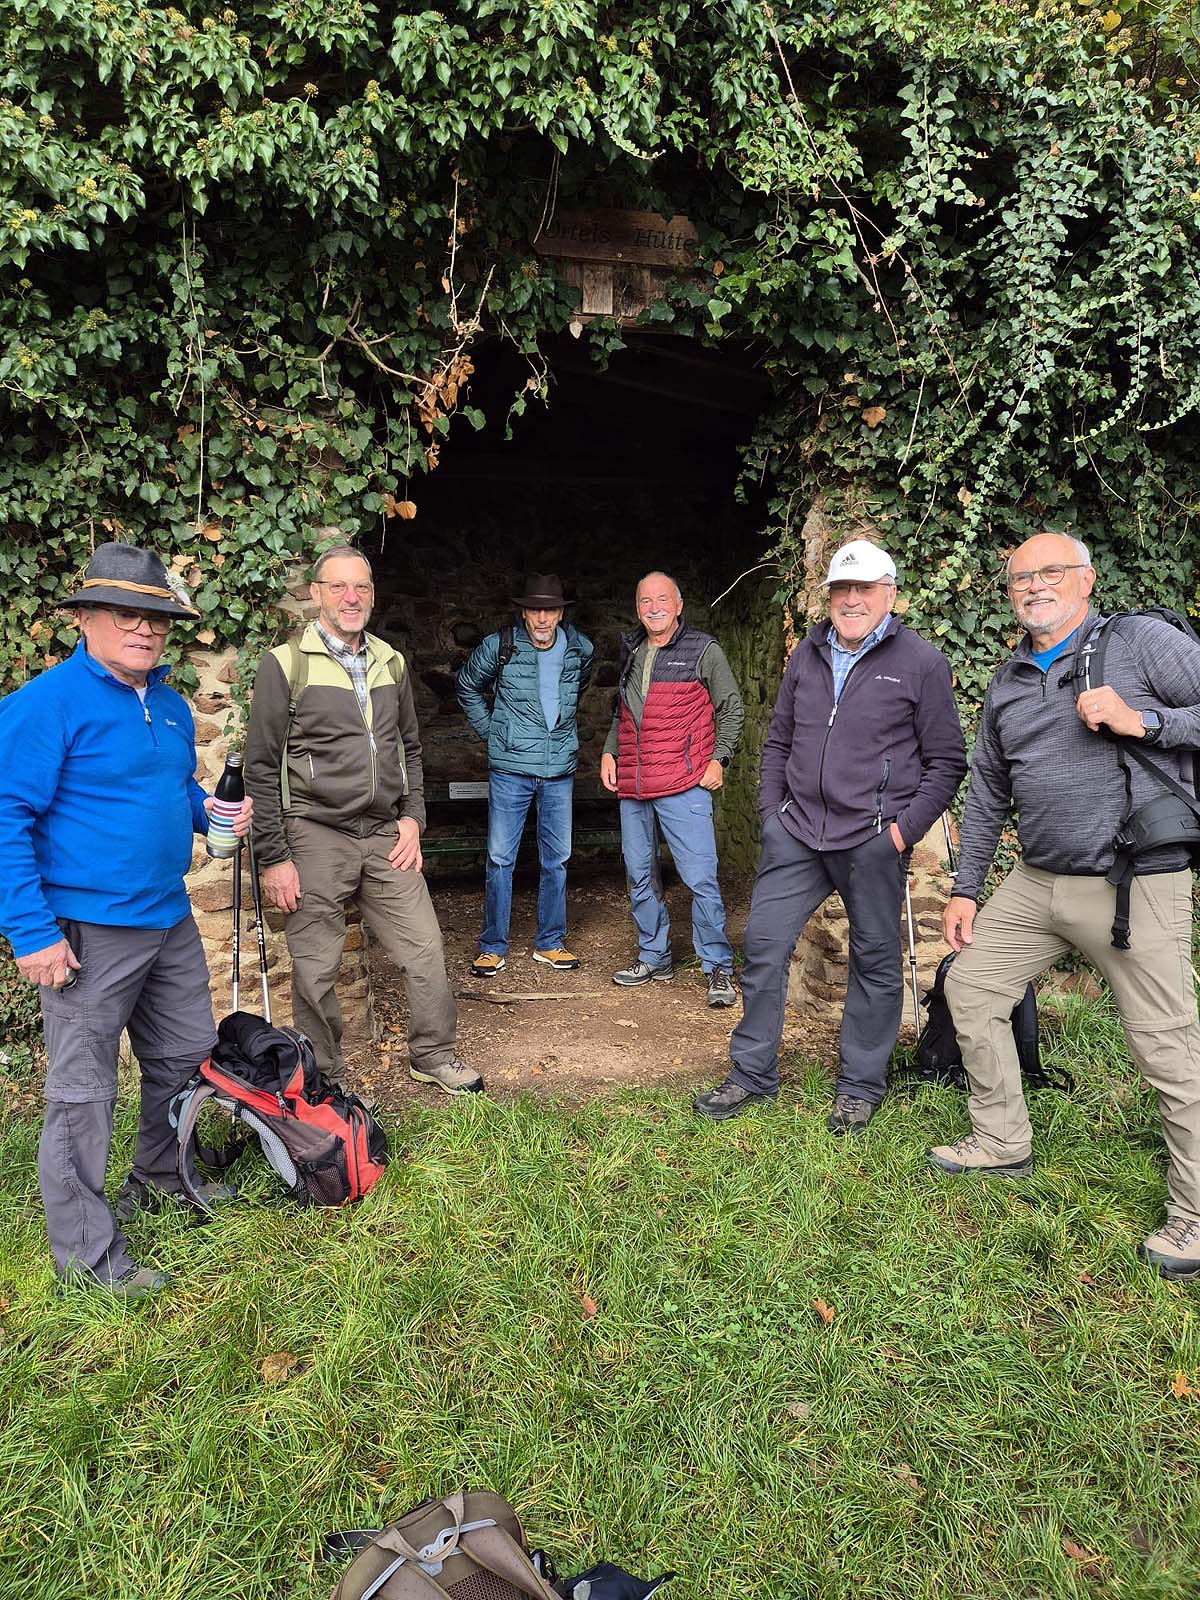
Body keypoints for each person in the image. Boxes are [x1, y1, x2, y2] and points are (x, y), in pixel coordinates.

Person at [933, 530, 1200, 1280]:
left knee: (1166, 1048)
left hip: (1134, 882)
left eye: (1051, 571)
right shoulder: (1010, 680)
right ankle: (1001, 1139)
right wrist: (966, 887)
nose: (1034, 586)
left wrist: (1145, 721)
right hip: (1037, 881)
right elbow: (988, 792)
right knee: (971, 986)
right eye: (1020, 577)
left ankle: (1196, 1214)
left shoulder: (1139, 643)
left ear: (1086, 580)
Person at [0, 542, 252, 1301]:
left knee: (184, 1058)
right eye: (124, 613)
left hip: (168, 917)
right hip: (87, 930)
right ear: (84, 618)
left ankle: (161, 1180)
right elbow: (6, 818)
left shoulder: (169, 705)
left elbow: (175, 791)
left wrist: (211, 814)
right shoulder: (45, 704)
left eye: (156, 618)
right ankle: (86, 1259)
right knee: (84, 1092)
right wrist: (32, 932)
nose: (144, 629)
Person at [694, 539, 967, 1127]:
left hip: (871, 837)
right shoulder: (808, 654)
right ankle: (751, 1074)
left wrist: (899, 835)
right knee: (763, 947)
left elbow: (947, 762)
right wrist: (772, 815)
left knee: (875, 960)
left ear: (889, 594)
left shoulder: (920, 663)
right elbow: (779, 740)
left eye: (864, 588)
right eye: (841, 589)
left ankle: (860, 1085)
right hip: (796, 834)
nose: (851, 600)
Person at [243, 545, 483, 1097]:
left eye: (362, 586)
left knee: (424, 947)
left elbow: (410, 747)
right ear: (316, 593)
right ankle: (324, 1079)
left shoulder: (390, 662)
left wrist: (413, 818)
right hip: (314, 832)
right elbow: (261, 765)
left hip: (382, 833)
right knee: (315, 966)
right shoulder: (287, 664)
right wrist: (274, 857)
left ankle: (433, 1055)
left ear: (372, 594)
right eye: (338, 586)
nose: (351, 597)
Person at [601, 570, 744, 1007]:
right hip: (635, 784)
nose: (654, 607)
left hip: (684, 783)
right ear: (637, 608)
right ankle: (654, 955)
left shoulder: (704, 649)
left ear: (679, 605)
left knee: (699, 877)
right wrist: (610, 751)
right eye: (645, 601)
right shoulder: (632, 650)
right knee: (639, 874)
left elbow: (731, 706)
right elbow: (623, 713)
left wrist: (719, 758)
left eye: (662, 599)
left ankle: (717, 966)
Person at [457, 574, 594, 977]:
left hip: (559, 771)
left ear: (561, 613)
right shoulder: (500, 645)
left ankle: (550, 943)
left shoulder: (580, 649)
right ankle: (492, 946)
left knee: (558, 860)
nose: (542, 618)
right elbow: (467, 686)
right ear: (523, 612)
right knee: (501, 859)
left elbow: (577, 690)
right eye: (535, 610)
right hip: (510, 771)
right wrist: (494, 732)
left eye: (550, 610)